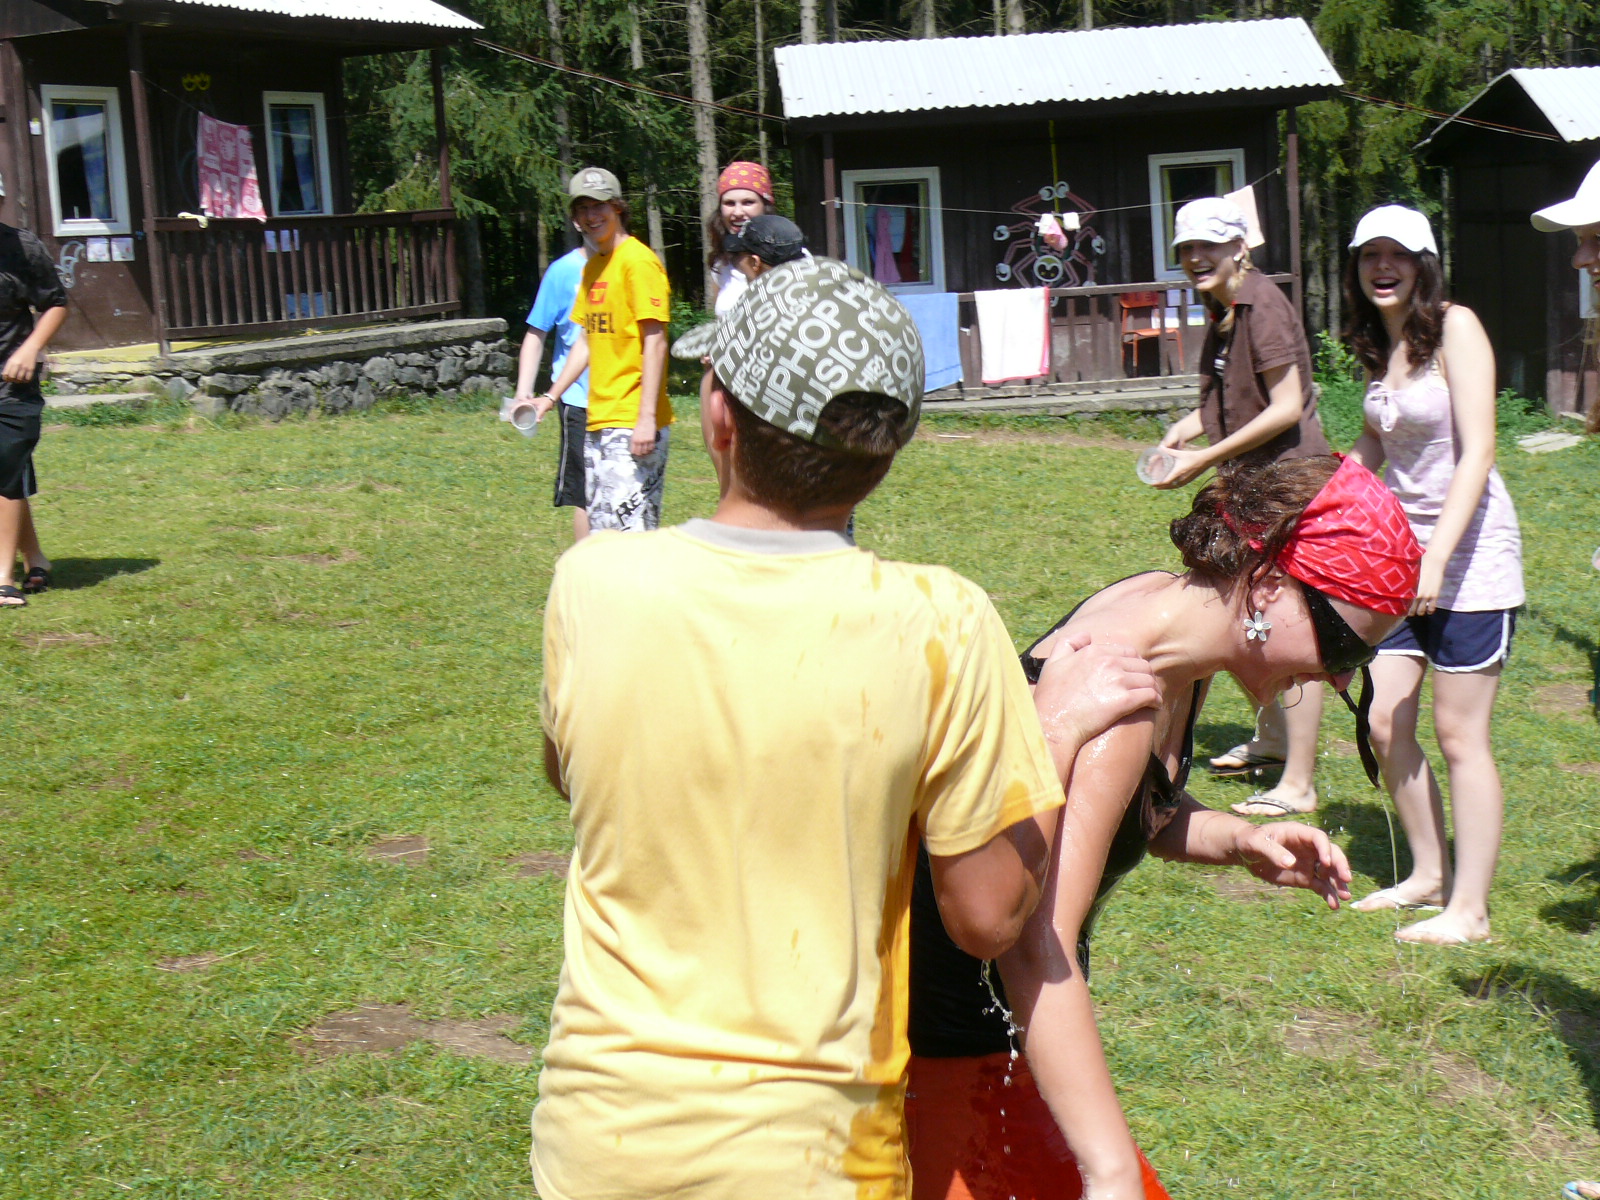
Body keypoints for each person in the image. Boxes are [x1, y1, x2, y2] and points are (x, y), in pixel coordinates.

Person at [530, 256, 1162, 1200]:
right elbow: (987, 916)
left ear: (718, 414)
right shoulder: (943, 623)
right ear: (888, 451)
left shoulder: (592, 583)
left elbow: (571, 771)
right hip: (816, 1159)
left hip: (600, 1141)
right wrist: (1056, 729)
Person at [906, 453, 1423, 1200]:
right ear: (1270, 585)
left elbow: (1120, 811)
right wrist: (1109, 1168)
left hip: (988, 1043)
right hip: (955, 1062)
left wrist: (1237, 839)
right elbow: (1035, 946)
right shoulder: (1125, 695)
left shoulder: (1166, 618)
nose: (1340, 678)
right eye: (1343, 647)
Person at [1343, 204, 1525, 945]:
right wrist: (1316, 505)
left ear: (1425, 264)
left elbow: (1479, 451)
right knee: (1384, 720)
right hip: (1400, 558)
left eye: (1398, 254)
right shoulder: (1380, 345)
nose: (1383, 267)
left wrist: (1439, 557)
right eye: (1369, 255)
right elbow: (1374, 442)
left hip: (1469, 557)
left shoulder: (1457, 328)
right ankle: (1428, 874)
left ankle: (1470, 910)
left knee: (1459, 734)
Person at [1154, 196, 1332, 820]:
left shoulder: (1264, 307)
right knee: (1245, 611)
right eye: (1186, 248)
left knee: (1288, 627)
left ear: (1239, 248)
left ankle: (1299, 782)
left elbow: (1286, 407)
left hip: (1289, 487)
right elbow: (1235, 401)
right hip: (1252, 487)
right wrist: (1186, 429)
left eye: (1207, 245)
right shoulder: (1224, 310)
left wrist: (1204, 458)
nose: (1195, 257)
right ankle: (1274, 739)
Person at [537, 167, 672, 533]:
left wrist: (646, 418)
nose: (591, 216)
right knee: (603, 532)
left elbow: (656, 340)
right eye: (582, 208)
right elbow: (585, 341)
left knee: (631, 534)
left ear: (618, 208)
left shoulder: (638, 262)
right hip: (599, 416)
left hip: (632, 420)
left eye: (599, 206)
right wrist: (549, 397)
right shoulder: (594, 266)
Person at [0, 221, 67, 608]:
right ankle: (36, 558)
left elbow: (55, 303)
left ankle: (3, 581)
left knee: (6, 465)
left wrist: (29, 349)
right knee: (7, 470)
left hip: (11, 380)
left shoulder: (21, 247)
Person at [513, 242, 591, 542]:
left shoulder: (631, 263)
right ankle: (586, 567)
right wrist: (523, 393)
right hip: (578, 399)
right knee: (587, 494)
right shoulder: (563, 271)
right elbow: (537, 332)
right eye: (583, 216)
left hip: (627, 399)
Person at [707, 160, 773, 315]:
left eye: (748, 202)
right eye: (729, 203)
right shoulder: (721, 263)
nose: (737, 212)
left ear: (765, 207)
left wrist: (750, 271)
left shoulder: (793, 256)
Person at [724, 212, 808, 283]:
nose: (735, 263)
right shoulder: (811, 289)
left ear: (754, 262)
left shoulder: (753, 297)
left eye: (737, 255)